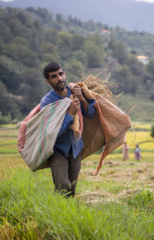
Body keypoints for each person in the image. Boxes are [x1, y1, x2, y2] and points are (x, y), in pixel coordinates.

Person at [40, 62, 96, 197]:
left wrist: (82, 98)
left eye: (60, 74)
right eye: (54, 76)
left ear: (64, 74)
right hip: (58, 150)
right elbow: (51, 133)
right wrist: (70, 114)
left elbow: (91, 114)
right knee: (63, 186)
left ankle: (67, 213)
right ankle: (57, 213)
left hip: (76, 148)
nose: (59, 78)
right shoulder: (48, 102)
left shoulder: (76, 91)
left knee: (72, 187)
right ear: (48, 81)